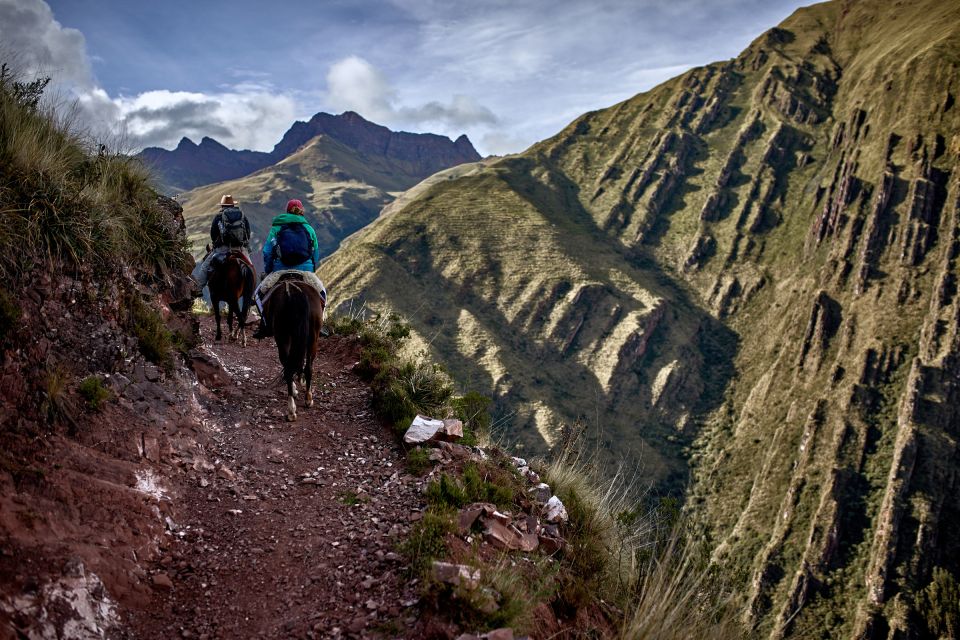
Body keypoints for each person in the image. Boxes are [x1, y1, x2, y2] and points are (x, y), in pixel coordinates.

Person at [251, 199, 323, 339]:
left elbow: (267, 251)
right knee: (322, 294)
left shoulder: (277, 228)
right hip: (305, 270)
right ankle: (319, 325)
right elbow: (315, 252)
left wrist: (269, 268)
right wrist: (311, 268)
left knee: (258, 296)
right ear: (301, 211)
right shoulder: (309, 229)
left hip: (280, 270)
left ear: (287, 211)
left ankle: (265, 325)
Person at [190, 194, 252, 294]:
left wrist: (216, 244)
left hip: (222, 248)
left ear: (222, 206)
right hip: (240, 248)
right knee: (250, 267)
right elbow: (247, 234)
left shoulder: (219, 217)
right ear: (232, 205)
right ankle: (251, 293)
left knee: (205, 267)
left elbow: (213, 234)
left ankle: (198, 289)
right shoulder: (242, 216)